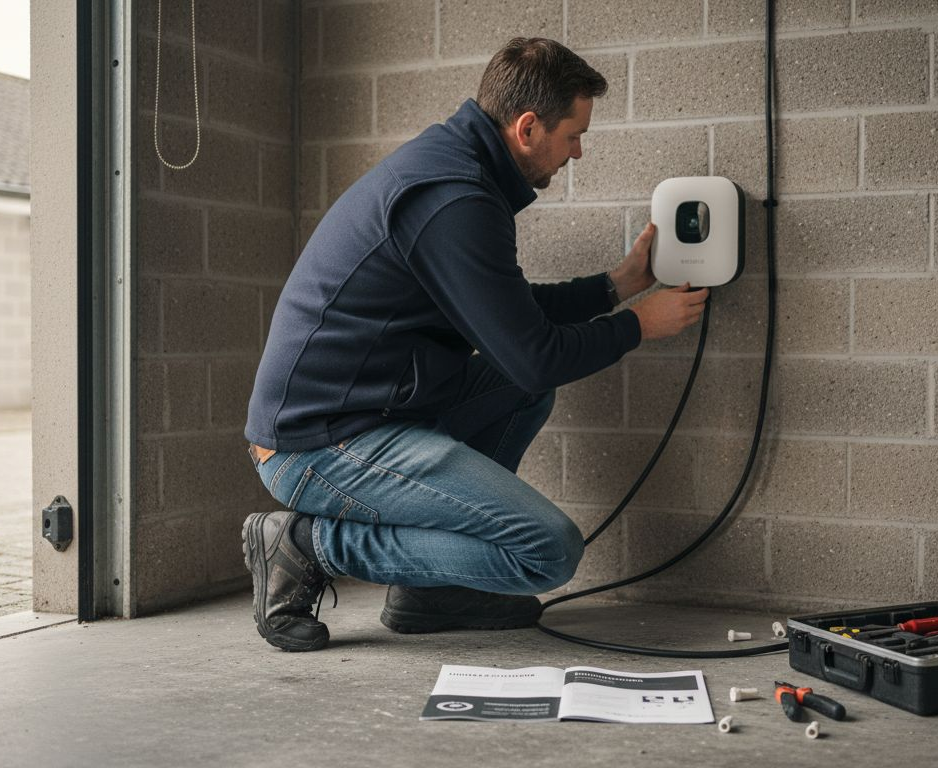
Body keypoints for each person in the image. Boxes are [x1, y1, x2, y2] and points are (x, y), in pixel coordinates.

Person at [242, 37, 709, 652]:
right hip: (316, 444)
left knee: (520, 390)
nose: (578, 151)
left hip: (374, 409)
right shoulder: (455, 198)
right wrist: (639, 325)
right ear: (527, 128)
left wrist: (615, 286)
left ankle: (433, 593)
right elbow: (534, 356)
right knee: (547, 550)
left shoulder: (459, 173)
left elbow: (506, 317)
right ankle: (306, 545)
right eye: (573, 135)